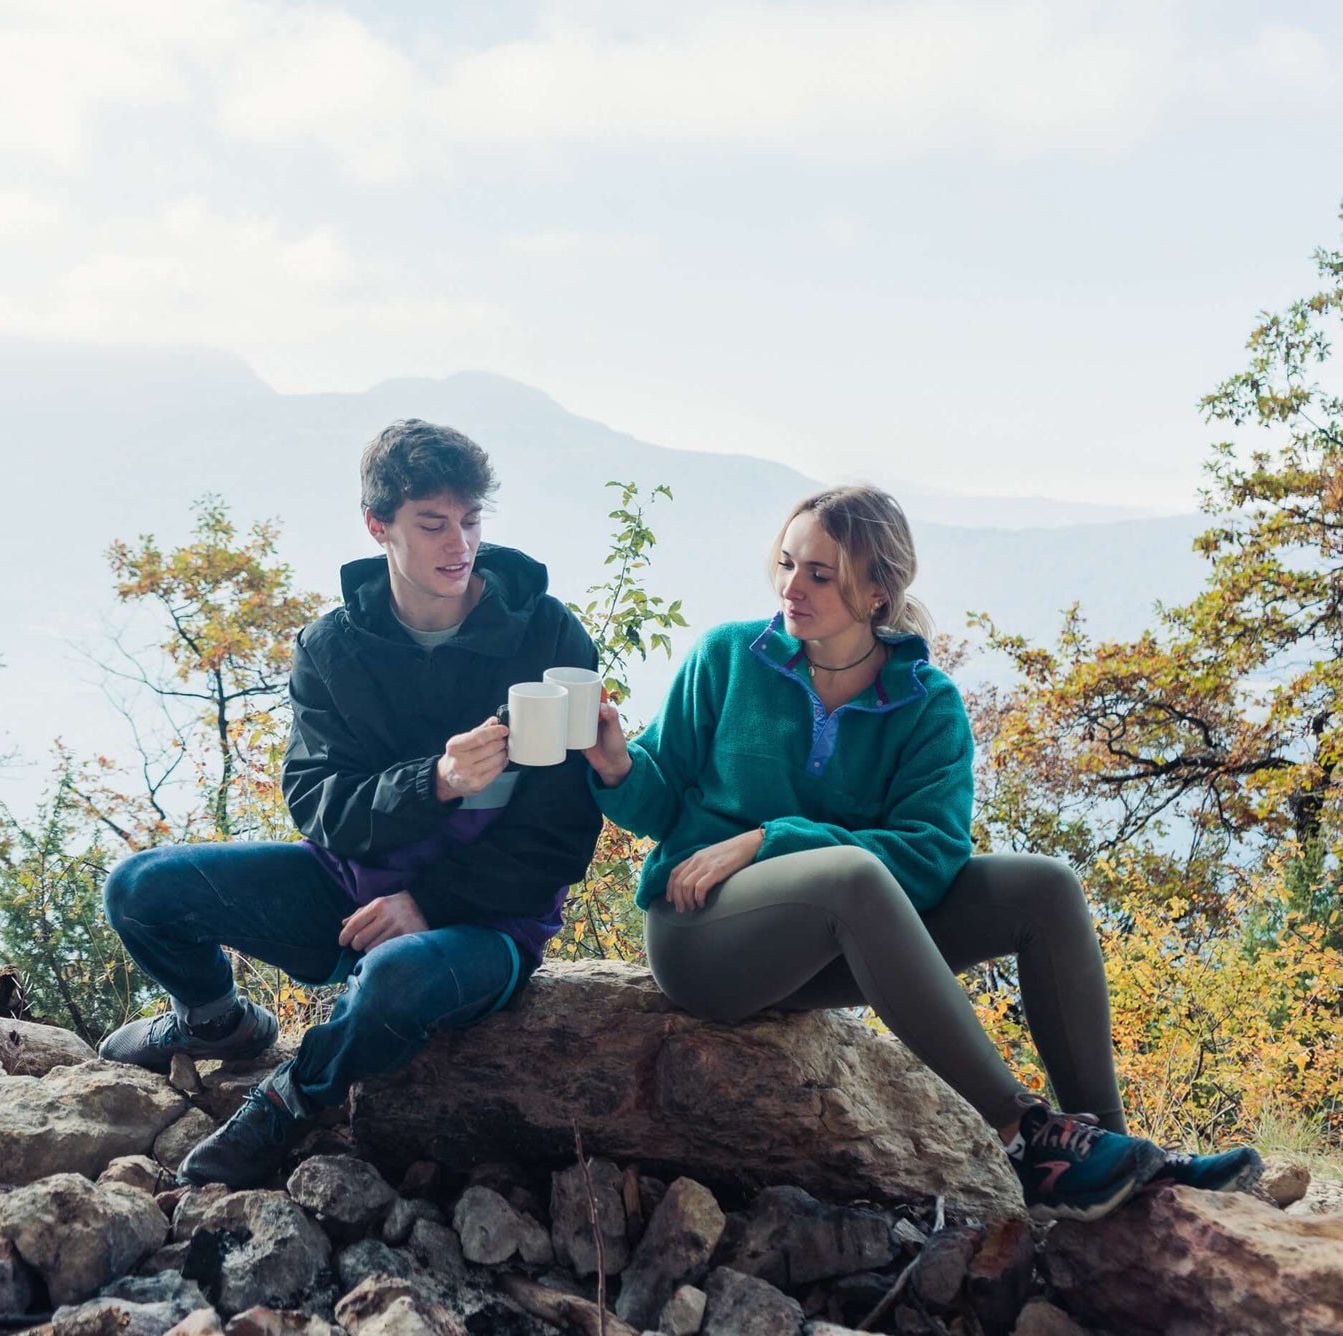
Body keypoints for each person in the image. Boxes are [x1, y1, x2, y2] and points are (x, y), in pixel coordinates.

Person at [583, 485, 1261, 1222]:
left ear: (878, 591)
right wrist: (618, 764)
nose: (791, 588)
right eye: (786, 564)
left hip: (836, 946)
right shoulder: (727, 657)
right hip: (705, 936)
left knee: (1044, 887)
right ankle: (1020, 1130)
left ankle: (1114, 1154)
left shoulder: (926, 703)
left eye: (819, 574)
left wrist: (770, 839)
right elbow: (654, 798)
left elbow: (932, 856)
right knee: (853, 871)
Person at [98, 419, 602, 1188]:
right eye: (432, 525)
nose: (458, 545)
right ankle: (215, 1021)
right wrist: (433, 782)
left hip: (483, 924)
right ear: (379, 526)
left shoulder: (546, 636)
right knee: (137, 889)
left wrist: (428, 903)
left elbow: (563, 833)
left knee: (397, 979)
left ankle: (293, 1098)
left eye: (470, 522)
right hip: (348, 890)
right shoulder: (331, 647)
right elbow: (318, 803)